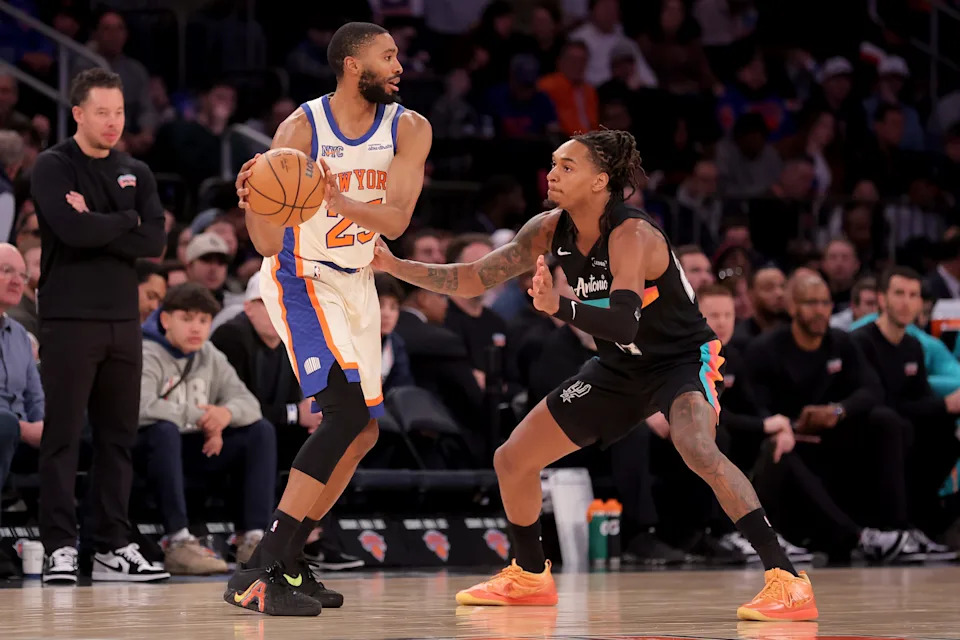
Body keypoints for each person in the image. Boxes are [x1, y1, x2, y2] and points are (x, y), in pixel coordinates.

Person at [374, 129, 817, 621]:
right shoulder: (548, 229)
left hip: (679, 360)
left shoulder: (633, 234)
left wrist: (557, 305)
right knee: (513, 459)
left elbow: (625, 319)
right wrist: (394, 265)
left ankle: (787, 580)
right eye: (553, 164)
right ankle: (529, 573)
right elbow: (473, 276)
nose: (552, 173)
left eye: (567, 166)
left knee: (696, 447)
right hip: (620, 365)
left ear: (600, 181)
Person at [226, 22, 431, 616]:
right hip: (301, 275)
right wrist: (257, 200)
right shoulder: (301, 128)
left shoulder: (409, 127)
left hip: (360, 279)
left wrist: (330, 196)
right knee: (342, 414)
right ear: (350, 63)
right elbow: (268, 241)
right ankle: (263, 566)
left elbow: (395, 221)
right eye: (387, 56)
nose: (399, 65)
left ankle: (288, 562)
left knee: (364, 430)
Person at [29, 68, 168, 584]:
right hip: (68, 319)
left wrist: (106, 222)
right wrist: (125, 220)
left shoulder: (137, 169)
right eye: (103, 112)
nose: (113, 123)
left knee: (118, 439)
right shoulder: (52, 166)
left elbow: (153, 242)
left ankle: (112, 545)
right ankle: (59, 546)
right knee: (63, 438)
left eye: (120, 112)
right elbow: (69, 228)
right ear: (79, 114)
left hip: (123, 321)